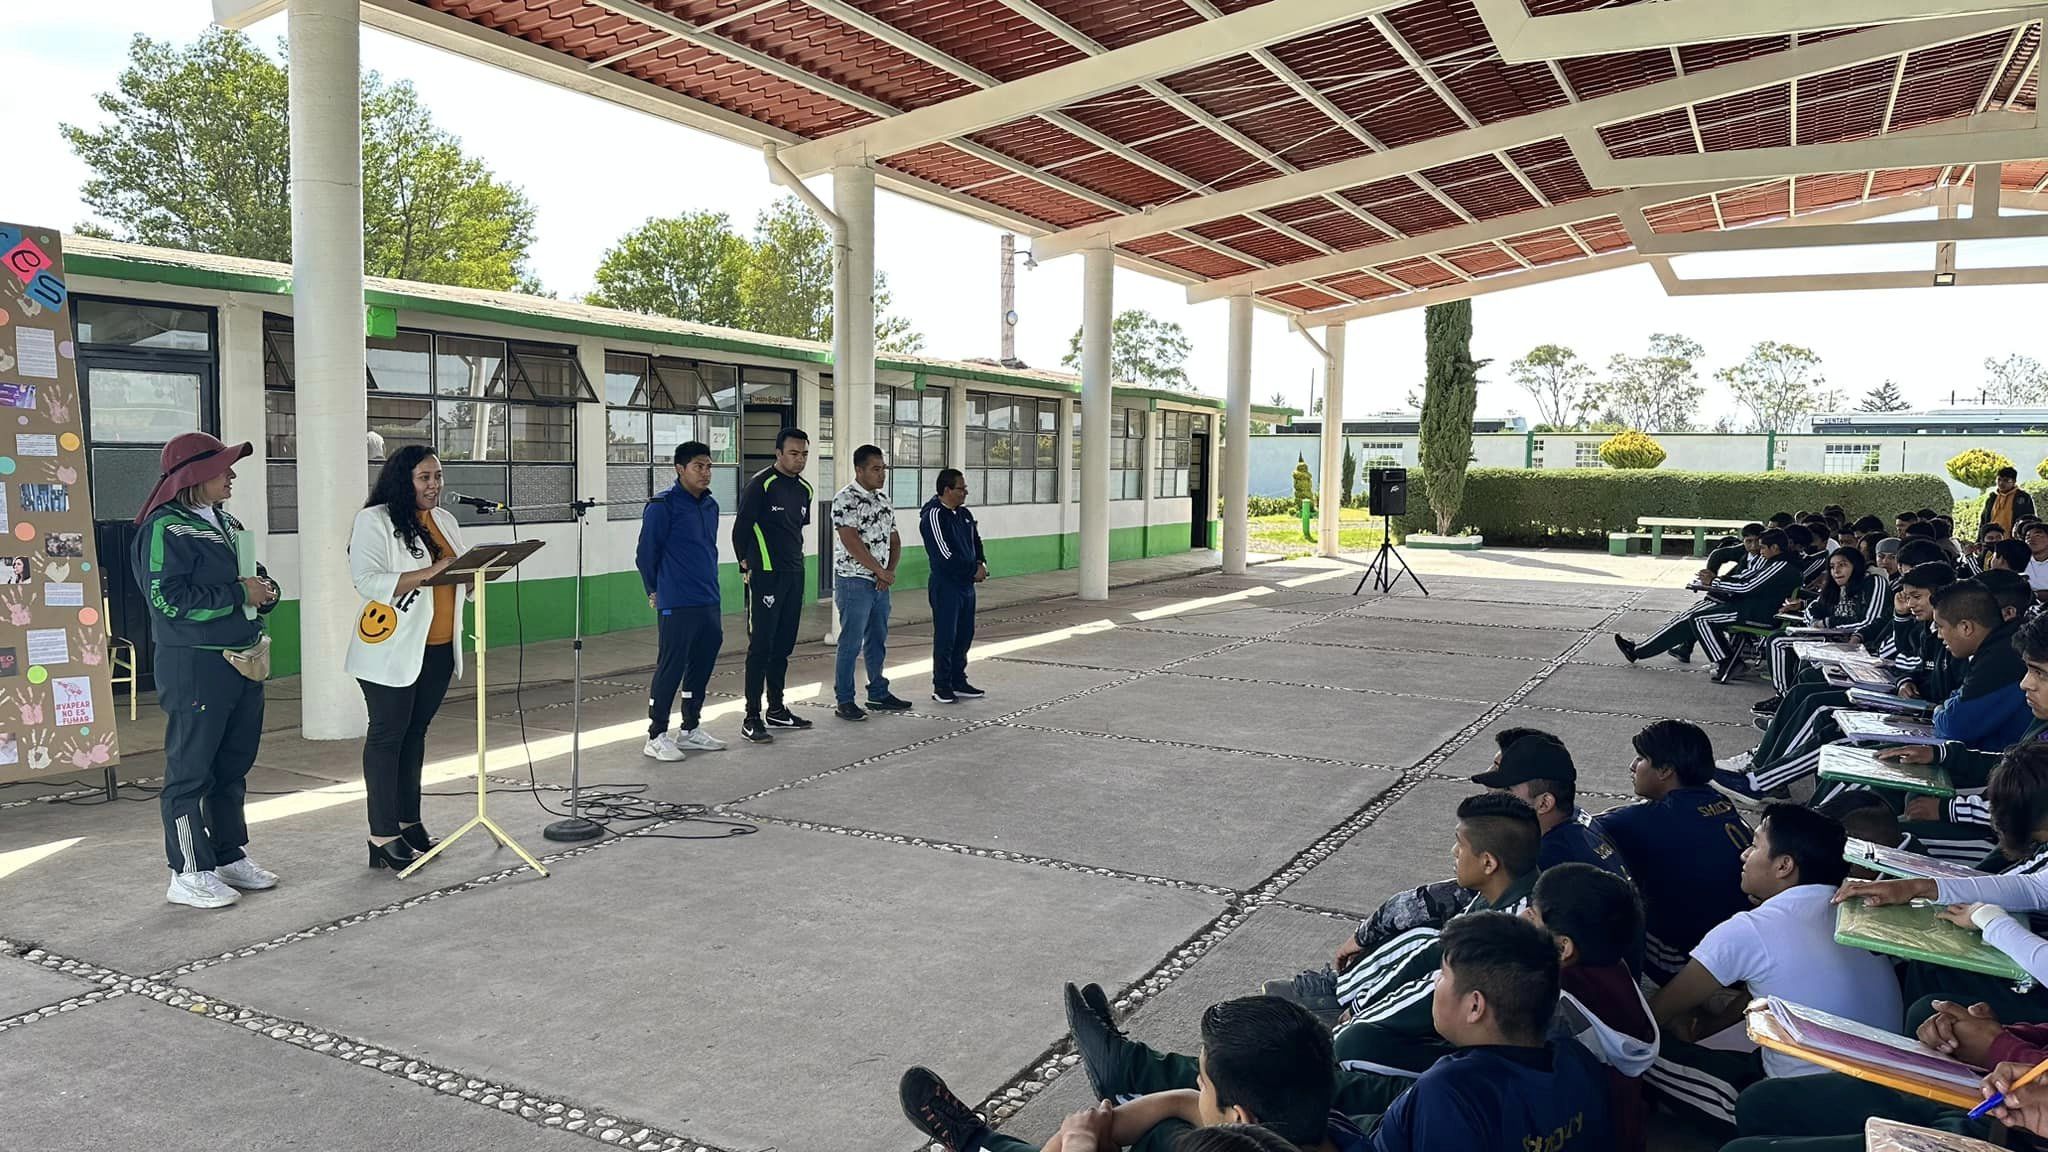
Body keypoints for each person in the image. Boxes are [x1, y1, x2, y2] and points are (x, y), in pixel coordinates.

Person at [1644, 805, 1902, 1136]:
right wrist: (1712, 1024)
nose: (1744, 855)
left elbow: (1657, 1012)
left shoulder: (1751, 930)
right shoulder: (1852, 910)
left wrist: (1682, 1022)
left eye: (1755, 845)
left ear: (1784, 865)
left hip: (1808, 1111)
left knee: (1638, 1048)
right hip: (1890, 1093)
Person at [900, 995, 1362, 1152]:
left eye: (1203, 1082)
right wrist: (1092, 1129)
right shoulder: (1326, 1130)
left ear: (1239, 1118)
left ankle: (976, 1143)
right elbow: (1183, 1102)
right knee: (1158, 1128)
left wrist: (1080, 1142)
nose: (1194, 1089)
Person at [134, 432, 281, 909]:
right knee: (190, 771)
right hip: (196, 664)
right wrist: (241, 595)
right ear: (193, 475)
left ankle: (226, 854)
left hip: (243, 660)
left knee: (232, 766)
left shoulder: (225, 520)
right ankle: (188, 870)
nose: (232, 475)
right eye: (223, 468)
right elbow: (165, 600)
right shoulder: (164, 528)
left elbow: (254, 576)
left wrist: (266, 591)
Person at [1328, 794, 1543, 1091]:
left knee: (1352, 1043)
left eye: (1460, 844)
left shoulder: (1511, 925)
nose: (1454, 851)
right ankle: (1343, 990)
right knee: (1423, 937)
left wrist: (1355, 1020)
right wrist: (1363, 1004)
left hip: (1479, 1054)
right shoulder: (1502, 892)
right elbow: (1433, 953)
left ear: (1488, 862)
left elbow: (1434, 991)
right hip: (1462, 1021)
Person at [347, 447, 469, 871]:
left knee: (414, 735)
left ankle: (407, 821)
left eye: (438, 476)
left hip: (436, 649)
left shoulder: (446, 521)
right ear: (403, 479)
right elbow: (366, 581)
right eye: (424, 478)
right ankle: (381, 834)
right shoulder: (375, 520)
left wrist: (473, 575)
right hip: (390, 649)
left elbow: (459, 573)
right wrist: (429, 574)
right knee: (387, 737)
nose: (434, 485)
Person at [1590, 720, 1753, 983]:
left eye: (1642, 758)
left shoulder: (1647, 819)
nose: (1632, 766)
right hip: (1738, 952)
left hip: (1682, 959)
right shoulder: (1717, 800)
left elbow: (1573, 828)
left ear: (1665, 770)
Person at [1525, 864, 1655, 1152]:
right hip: (1626, 1130)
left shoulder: (1551, 1000)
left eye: (1532, 916)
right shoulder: (1614, 968)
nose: (1522, 918)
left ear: (1562, 948)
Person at [637, 440, 726, 762]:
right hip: (676, 599)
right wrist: (654, 590)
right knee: (671, 665)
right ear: (680, 469)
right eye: (698, 466)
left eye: (709, 466)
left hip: (708, 598)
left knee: (702, 664)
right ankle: (656, 734)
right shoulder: (663, 505)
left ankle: (690, 728)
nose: (705, 473)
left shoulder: (711, 505)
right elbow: (646, 554)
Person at [1613, 528, 1798, 672]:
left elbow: (1746, 587)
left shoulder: (1781, 565)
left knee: (1699, 618)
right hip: (1746, 606)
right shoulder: (1774, 562)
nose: (1759, 550)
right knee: (1692, 616)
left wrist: (1714, 582)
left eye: (1763, 547)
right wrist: (1714, 581)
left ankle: (1727, 662)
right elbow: (1744, 578)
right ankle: (1640, 650)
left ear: (1775, 548)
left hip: (1756, 613)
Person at [732, 428, 815, 744]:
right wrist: (747, 565)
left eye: (804, 454)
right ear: (778, 453)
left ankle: (777, 710)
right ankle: (752, 716)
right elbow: (740, 530)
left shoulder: (804, 489)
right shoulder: (760, 486)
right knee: (761, 647)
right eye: (794, 453)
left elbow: (794, 531)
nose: (800, 459)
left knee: (784, 645)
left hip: (795, 574)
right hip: (765, 576)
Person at [1468, 733, 1629, 877]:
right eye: (1494, 766)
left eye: (1507, 790)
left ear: (1544, 803)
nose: (1489, 789)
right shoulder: (1572, 818)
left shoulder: (1546, 860)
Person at [829, 444, 913, 721]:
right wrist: (878, 570)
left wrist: (888, 571)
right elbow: (850, 539)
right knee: (850, 642)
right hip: (854, 582)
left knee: (877, 639)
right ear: (859, 469)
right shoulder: (845, 499)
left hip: (879, 583)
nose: (882, 474)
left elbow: (894, 539)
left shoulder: (883, 500)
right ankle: (845, 699)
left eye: (884, 468)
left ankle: (878, 692)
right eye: (876, 469)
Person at [921, 467, 987, 704]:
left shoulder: (964, 514)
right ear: (947, 489)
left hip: (966, 586)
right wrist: (972, 570)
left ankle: (959, 680)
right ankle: (942, 685)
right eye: (961, 489)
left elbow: (975, 541)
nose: (965, 493)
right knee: (946, 637)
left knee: (964, 634)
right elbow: (944, 556)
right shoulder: (934, 516)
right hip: (946, 585)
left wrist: (981, 563)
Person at [1987, 466, 2037, 536]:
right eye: (1999, 479)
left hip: (2013, 540)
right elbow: (1984, 520)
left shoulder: (2023, 497)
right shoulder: (1992, 497)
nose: (2001, 483)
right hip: (1992, 539)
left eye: (2006, 480)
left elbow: (2030, 520)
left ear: (2014, 482)